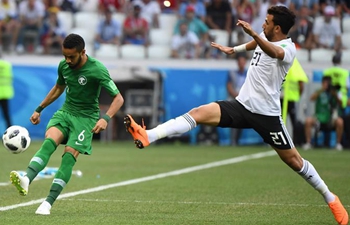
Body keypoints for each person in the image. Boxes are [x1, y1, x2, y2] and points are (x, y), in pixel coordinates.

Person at [123, 6, 348, 225]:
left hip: (267, 116)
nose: (263, 24)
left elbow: (273, 51)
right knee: (198, 113)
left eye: (267, 22)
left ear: (277, 28)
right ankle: (148, 135)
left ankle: (330, 197)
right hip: (242, 106)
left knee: (295, 162)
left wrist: (253, 34)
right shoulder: (263, 36)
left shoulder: (288, 49)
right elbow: (257, 43)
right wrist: (236, 49)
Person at [9, 33, 124, 215]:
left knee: (69, 156)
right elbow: (58, 88)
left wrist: (105, 118)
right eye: (65, 56)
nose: (68, 60)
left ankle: (47, 203)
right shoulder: (63, 66)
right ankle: (27, 178)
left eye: (71, 56)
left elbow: (118, 98)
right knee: (49, 142)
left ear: (83, 52)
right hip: (66, 112)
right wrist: (39, 108)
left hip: (86, 118)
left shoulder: (98, 69)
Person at [302, 76, 344, 151]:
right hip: (318, 117)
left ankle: (338, 144)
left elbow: (341, 104)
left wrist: (334, 94)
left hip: (330, 118)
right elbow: (312, 98)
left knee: (340, 122)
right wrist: (322, 89)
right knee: (308, 121)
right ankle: (308, 143)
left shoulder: (334, 92)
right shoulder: (319, 91)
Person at [226, 52, 248, 145]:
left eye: (243, 62)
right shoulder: (232, 73)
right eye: (240, 62)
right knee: (233, 120)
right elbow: (229, 86)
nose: (241, 63)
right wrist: (235, 95)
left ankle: (237, 140)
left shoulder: (249, 74)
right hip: (234, 99)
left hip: (245, 100)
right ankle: (233, 141)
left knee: (243, 121)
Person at [0, 57, 14, 128]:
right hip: (5, 93)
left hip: (3, 92)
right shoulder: (7, 65)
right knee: (6, 115)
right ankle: (10, 132)